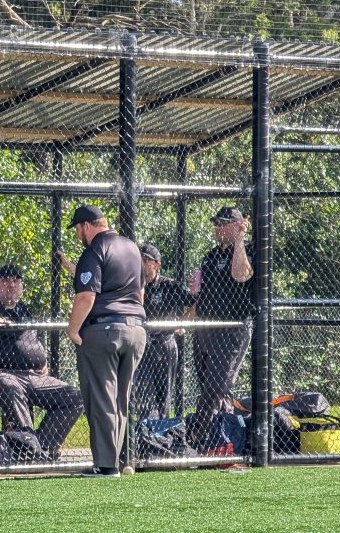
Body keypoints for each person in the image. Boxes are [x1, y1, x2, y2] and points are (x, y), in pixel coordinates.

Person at [0, 264, 82, 461]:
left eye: (16, 280)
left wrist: (42, 361)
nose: (11, 285)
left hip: (34, 376)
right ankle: (28, 450)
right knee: (12, 388)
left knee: (74, 397)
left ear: (22, 286)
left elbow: (30, 343)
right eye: (6, 280)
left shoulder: (24, 310)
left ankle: (40, 448)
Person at [65, 205, 146, 478]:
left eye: (78, 229)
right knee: (120, 400)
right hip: (136, 330)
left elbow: (86, 296)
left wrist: (73, 330)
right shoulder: (132, 248)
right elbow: (140, 293)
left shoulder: (94, 250)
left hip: (104, 331)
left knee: (101, 398)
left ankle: (106, 465)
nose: (78, 235)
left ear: (87, 226)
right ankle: (115, 459)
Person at [186, 206, 255, 445]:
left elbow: (241, 275)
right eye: (216, 223)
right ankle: (221, 438)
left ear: (236, 226)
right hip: (206, 329)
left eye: (222, 223)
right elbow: (202, 294)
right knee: (209, 384)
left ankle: (195, 436)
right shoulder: (211, 256)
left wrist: (239, 240)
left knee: (216, 385)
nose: (217, 228)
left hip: (232, 329)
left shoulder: (248, 250)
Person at [138, 244, 196, 420]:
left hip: (165, 343)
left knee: (164, 394)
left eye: (146, 259)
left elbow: (197, 301)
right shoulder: (132, 284)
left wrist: (182, 322)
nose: (142, 262)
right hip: (142, 343)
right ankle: (144, 433)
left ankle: (160, 435)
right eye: (140, 258)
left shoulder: (169, 286)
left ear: (157, 265)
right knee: (143, 392)